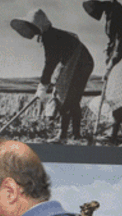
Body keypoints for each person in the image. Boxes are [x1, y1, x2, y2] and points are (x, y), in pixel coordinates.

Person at [9, 9, 95, 142]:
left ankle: (63, 135)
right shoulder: (51, 35)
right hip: (81, 62)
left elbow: (50, 64)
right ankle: (76, 135)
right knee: (72, 98)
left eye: (31, 26)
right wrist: (45, 84)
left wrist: (42, 86)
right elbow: (52, 63)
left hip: (80, 63)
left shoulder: (50, 37)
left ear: (38, 26)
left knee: (65, 97)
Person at [83, 0, 122, 145]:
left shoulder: (117, 16)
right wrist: (109, 59)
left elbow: (120, 44)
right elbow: (114, 43)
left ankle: (115, 135)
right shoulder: (113, 14)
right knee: (120, 99)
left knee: (113, 97)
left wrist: (111, 64)